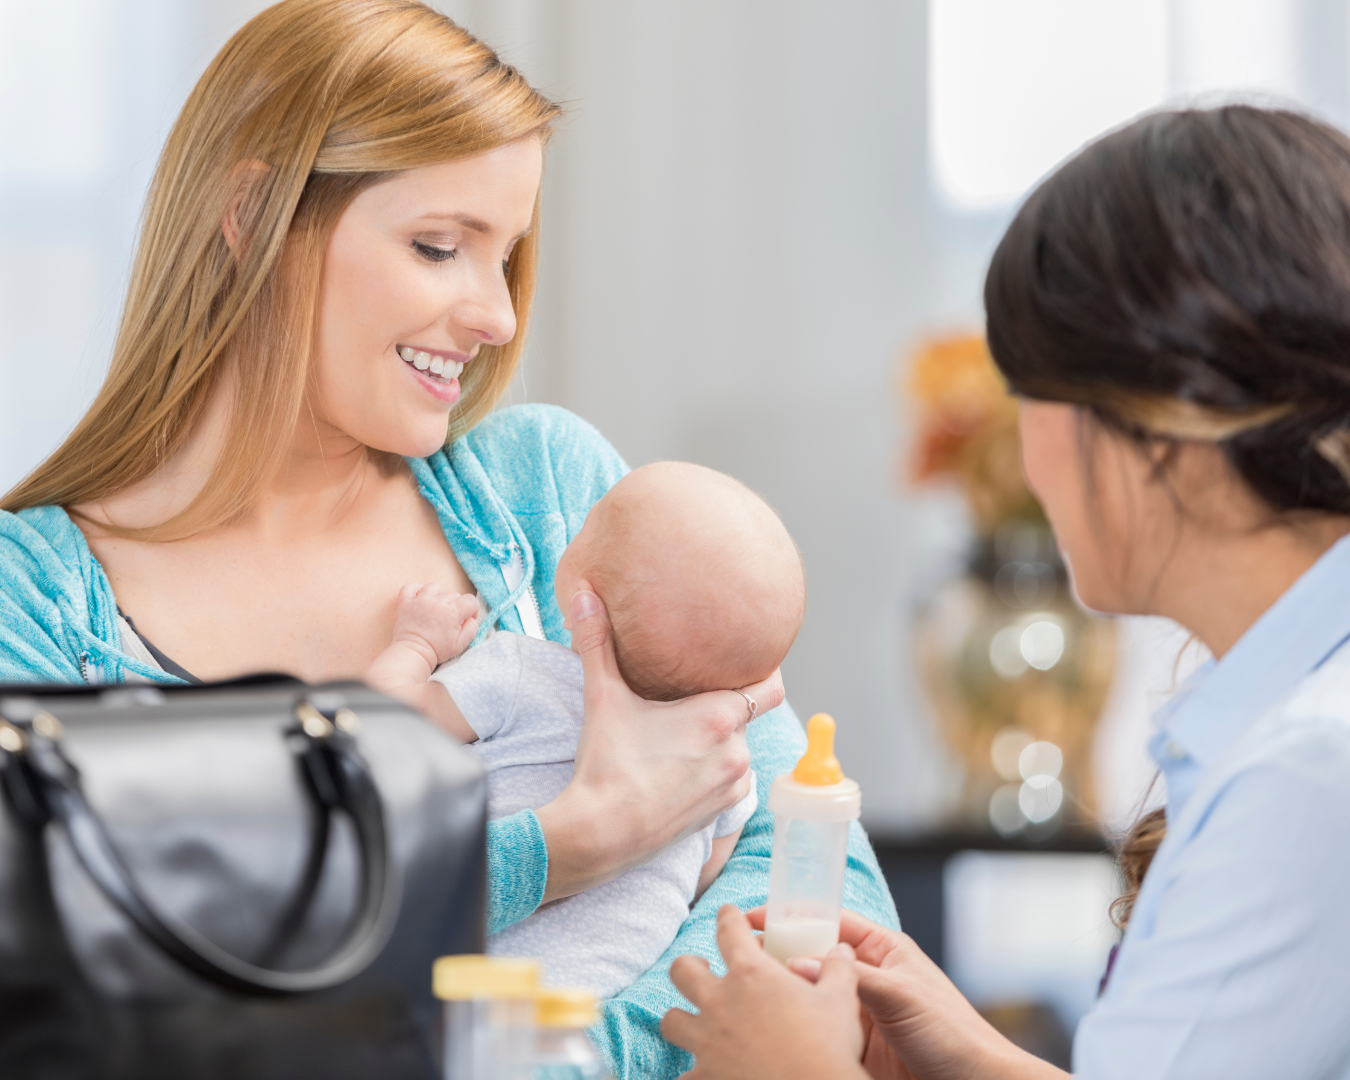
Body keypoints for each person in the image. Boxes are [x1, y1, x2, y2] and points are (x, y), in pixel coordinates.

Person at [0, 1, 898, 1075]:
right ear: (251, 216)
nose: (498, 317)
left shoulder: (546, 495)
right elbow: (94, 999)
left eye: (505, 256)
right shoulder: (35, 603)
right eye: (439, 247)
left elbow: (811, 880)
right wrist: (570, 846)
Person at [662, 105, 1350, 1079]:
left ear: (1156, 424)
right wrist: (974, 1057)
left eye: (1030, 397)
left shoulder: (1306, 776)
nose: (1021, 455)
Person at [366, 461, 806, 998]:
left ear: (581, 595)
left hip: (463, 994)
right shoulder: (720, 771)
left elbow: (382, 730)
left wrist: (415, 646)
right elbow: (707, 876)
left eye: (592, 518)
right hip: (604, 1005)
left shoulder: (521, 674)